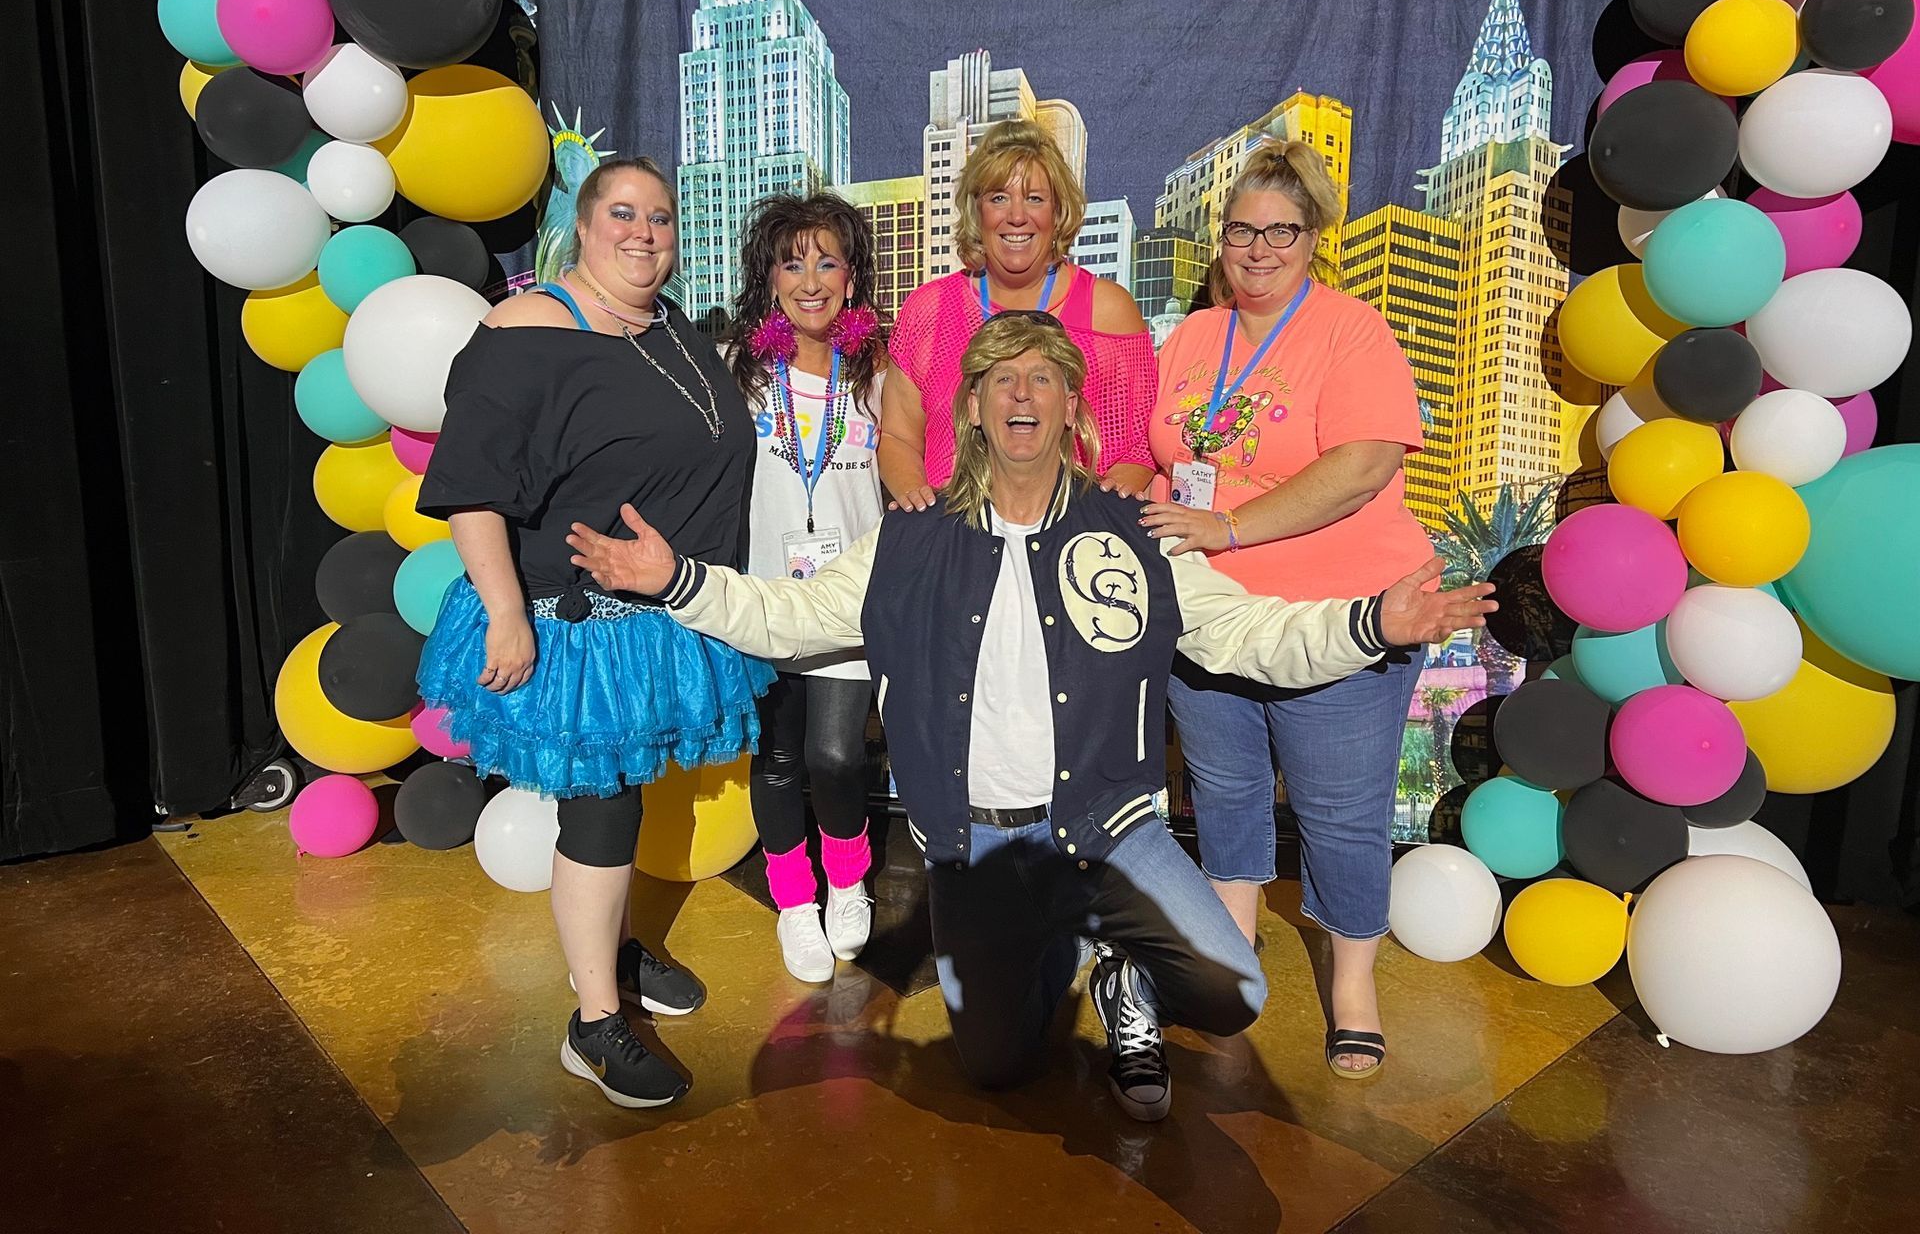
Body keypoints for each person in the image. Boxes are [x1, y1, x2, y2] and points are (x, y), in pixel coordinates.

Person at [566, 314, 1493, 1122]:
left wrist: (1375, 621)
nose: (1020, 395)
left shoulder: (1133, 531)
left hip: (1110, 827)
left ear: (1072, 411)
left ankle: (1126, 971)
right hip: (976, 845)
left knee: (1230, 988)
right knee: (1000, 1067)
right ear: (970, 408)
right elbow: (789, 615)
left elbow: (1254, 635)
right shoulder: (910, 537)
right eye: (1000, 379)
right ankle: (1049, 942)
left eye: (1042, 378)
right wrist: (674, 581)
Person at [415, 156, 771, 1111]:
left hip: (657, 616)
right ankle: (595, 1024)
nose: (644, 233)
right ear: (583, 223)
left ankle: (612, 947)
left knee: (631, 794)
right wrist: (502, 614)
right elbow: (472, 486)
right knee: (604, 812)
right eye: (623, 213)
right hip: (572, 626)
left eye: (660, 217)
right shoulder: (527, 328)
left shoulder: (664, 327)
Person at [1141, 141, 1434, 1080]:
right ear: (1219, 239)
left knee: (1339, 813)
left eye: (1282, 231)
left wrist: (1226, 524)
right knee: (1222, 791)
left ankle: (1352, 986)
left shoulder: (1354, 332)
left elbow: (1363, 467)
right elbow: (1153, 453)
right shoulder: (1191, 338)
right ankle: (1233, 952)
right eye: (1241, 231)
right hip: (1208, 612)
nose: (1258, 249)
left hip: (1339, 613)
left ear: (1314, 239)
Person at [722, 192, 887, 982]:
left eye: (827, 261)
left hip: (850, 601)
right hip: (762, 598)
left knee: (835, 756)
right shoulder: (740, 373)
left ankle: (849, 880)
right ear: (771, 277)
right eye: (794, 262)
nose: (811, 279)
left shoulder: (878, 377)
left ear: (851, 278)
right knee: (780, 758)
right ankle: (794, 901)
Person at [881, 119, 1157, 506]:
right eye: (998, 197)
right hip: (956, 537)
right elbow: (897, 438)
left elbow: (1137, 450)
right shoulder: (928, 310)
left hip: (1069, 546)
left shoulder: (1108, 311)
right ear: (977, 209)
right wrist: (924, 514)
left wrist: (1084, 525)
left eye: (1034, 198)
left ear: (1057, 210)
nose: (1016, 216)